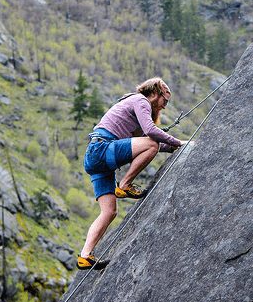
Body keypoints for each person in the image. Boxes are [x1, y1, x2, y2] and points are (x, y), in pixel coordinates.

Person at [77, 77, 186, 270]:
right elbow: (150, 133)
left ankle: (85, 255)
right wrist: (176, 142)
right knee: (151, 143)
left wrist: (174, 146)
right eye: (165, 101)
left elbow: (143, 142)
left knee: (109, 212)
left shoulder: (132, 106)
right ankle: (125, 185)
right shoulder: (140, 101)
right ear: (155, 93)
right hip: (103, 150)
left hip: (96, 158)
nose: (165, 106)